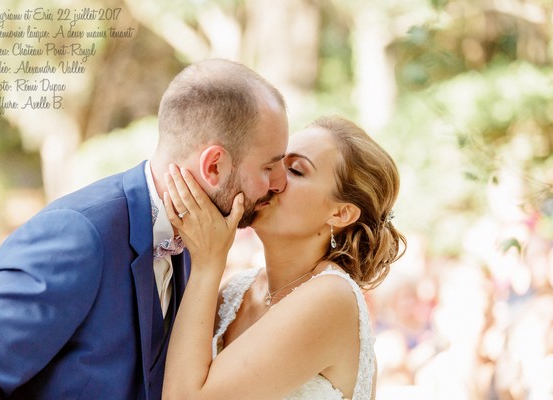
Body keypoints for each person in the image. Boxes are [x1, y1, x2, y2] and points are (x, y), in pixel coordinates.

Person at [0, 59, 288, 399]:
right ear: (213, 166)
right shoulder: (77, 234)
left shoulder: (197, 244)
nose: (279, 183)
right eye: (269, 166)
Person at [161, 116, 406, 399]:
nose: (274, 179)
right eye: (274, 163)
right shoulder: (236, 291)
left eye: (296, 170)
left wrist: (207, 264)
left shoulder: (332, 298)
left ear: (340, 214)